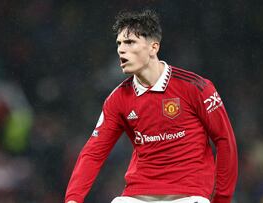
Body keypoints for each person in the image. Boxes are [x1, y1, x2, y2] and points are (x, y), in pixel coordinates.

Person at [65, 9, 238, 203]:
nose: (121, 49)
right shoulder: (117, 99)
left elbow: (225, 140)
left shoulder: (196, 87)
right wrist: (73, 199)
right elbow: (94, 152)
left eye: (130, 42)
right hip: (137, 195)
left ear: (153, 47)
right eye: (119, 43)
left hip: (189, 195)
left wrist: (222, 198)